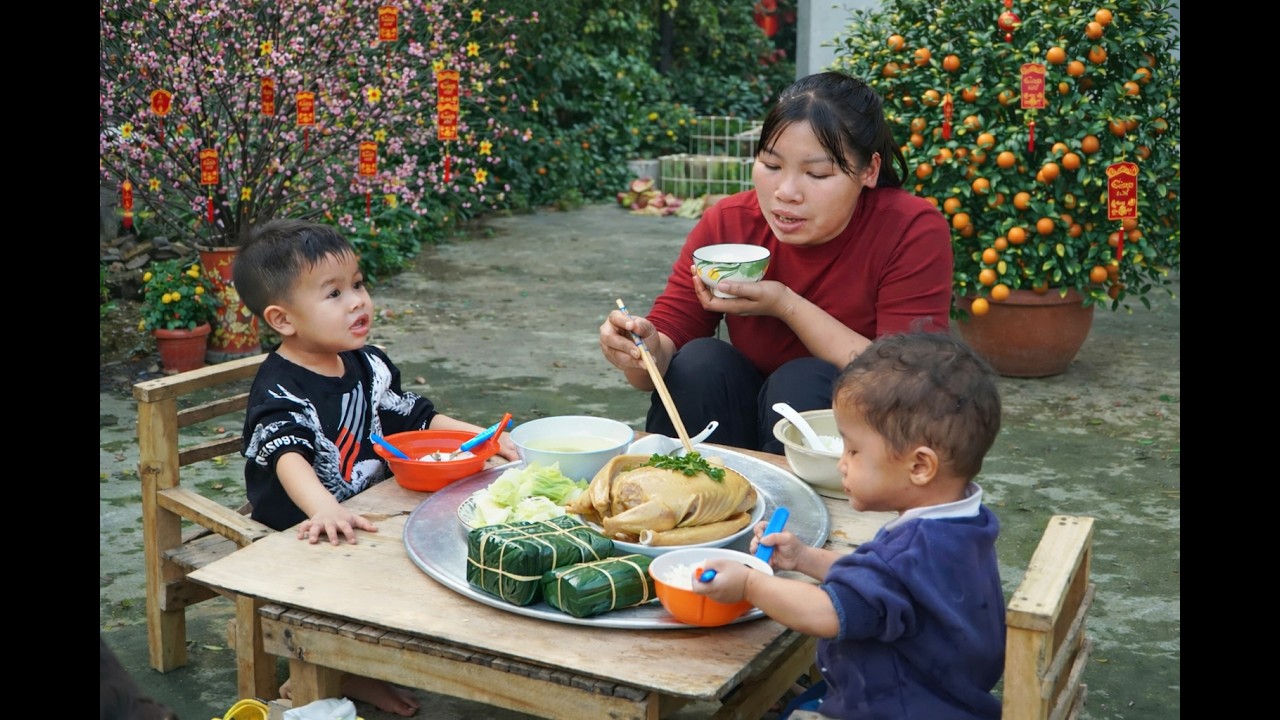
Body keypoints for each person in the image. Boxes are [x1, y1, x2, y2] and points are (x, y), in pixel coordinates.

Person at [234, 218, 519, 716]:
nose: (357, 301)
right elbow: (288, 457)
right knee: (368, 572)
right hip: (301, 524)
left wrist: (485, 438)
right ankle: (336, 671)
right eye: (334, 293)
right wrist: (324, 510)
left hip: (368, 505)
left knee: (441, 538)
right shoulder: (282, 387)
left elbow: (419, 417)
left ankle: (373, 660)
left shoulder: (366, 363)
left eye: (358, 285)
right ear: (283, 319)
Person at [599, 71, 952, 454]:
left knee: (805, 380)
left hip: (854, 441)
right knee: (700, 362)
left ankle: (809, 512)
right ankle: (691, 494)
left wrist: (785, 305)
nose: (786, 193)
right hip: (738, 419)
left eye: (817, 173)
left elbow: (906, 379)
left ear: (869, 170)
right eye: (770, 165)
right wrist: (640, 349)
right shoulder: (730, 221)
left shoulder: (909, 228)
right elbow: (657, 363)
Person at [695, 332, 1006, 719]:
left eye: (854, 450)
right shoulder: (965, 524)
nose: (842, 462)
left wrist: (749, 584)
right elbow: (884, 588)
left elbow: (827, 613)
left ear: (920, 466)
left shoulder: (911, 553)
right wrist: (805, 558)